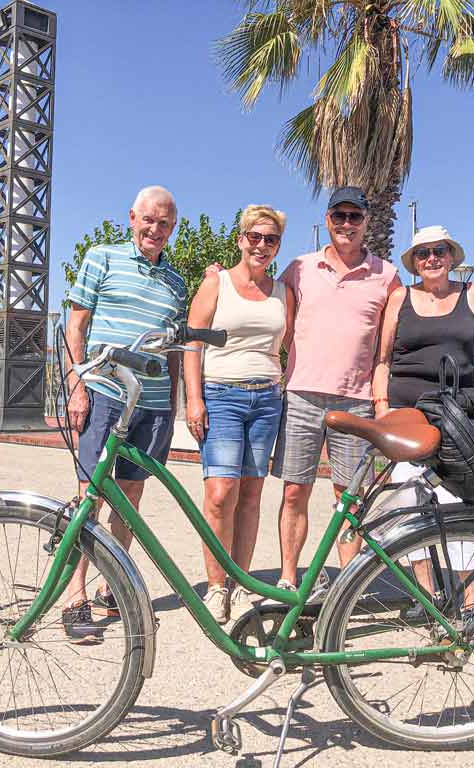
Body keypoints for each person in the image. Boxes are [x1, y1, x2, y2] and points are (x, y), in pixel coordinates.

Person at [61, 185, 187, 640]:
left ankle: (110, 588)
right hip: (104, 394)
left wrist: (172, 404)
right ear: (132, 217)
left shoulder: (176, 282)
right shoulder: (102, 258)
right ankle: (73, 595)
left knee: (130, 501)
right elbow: (75, 324)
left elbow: (172, 350)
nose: (156, 229)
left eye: (165, 223)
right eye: (149, 219)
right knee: (89, 497)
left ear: (173, 228)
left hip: (151, 404)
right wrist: (77, 384)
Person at [273, 186, 402, 591]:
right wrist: (219, 277)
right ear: (327, 220)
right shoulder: (299, 268)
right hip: (302, 395)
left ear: (367, 222)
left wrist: (382, 400)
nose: (347, 224)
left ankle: (348, 586)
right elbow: (265, 306)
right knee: (295, 491)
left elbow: (387, 350)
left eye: (355, 217)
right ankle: (289, 578)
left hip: (355, 400)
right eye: (339, 216)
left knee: (350, 498)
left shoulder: (388, 276)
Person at [183, 205, 293, 624]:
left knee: (250, 494)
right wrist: (195, 399)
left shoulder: (284, 292)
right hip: (221, 396)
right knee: (219, 493)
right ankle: (216, 586)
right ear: (240, 239)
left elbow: (290, 345)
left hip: (267, 397)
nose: (261, 245)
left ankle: (242, 582)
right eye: (255, 236)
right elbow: (193, 343)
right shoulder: (217, 283)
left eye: (271, 239)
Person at [380, 225, 474, 612]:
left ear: (450, 255)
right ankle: (426, 596)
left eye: (439, 251)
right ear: (415, 262)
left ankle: (472, 602)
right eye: (423, 253)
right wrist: (381, 408)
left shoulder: (473, 295)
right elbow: (382, 359)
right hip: (406, 413)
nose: (432, 259)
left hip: (457, 414)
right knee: (408, 502)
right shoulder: (400, 298)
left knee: (456, 504)